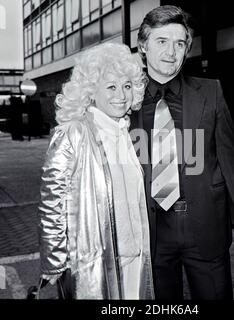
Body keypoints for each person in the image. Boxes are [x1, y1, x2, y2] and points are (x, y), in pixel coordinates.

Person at [130, 5, 234, 300]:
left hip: (205, 226)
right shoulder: (126, 100)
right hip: (149, 232)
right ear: (143, 46)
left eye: (179, 43)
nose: (171, 52)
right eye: (161, 41)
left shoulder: (211, 92)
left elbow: (232, 164)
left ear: (187, 49)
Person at [38, 43, 154, 299]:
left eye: (127, 86)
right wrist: (54, 262)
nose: (121, 95)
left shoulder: (127, 133)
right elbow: (51, 203)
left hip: (136, 257)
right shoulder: (72, 133)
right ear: (91, 92)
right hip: (95, 264)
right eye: (111, 87)